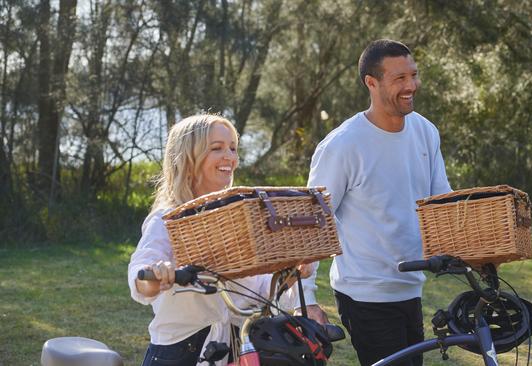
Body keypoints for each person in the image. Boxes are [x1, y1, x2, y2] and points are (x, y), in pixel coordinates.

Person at [302, 39, 452, 366]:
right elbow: (311, 223)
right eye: (399, 78)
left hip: (411, 288)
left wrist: (476, 252)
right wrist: (306, 300)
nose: (411, 85)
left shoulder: (425, 132)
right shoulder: (343, 145)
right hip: (364, 295)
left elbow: (442, 206)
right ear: (372, 83)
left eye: (413, 75)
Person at [127, 114, 307, 366]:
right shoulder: (168, 218)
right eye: (217, 148)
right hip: (181, 350)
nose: (230, 157)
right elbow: (139, 275)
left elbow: (254, 291)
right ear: (189, 157)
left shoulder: (235, 217)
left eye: (233, 148)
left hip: (236, 346)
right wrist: (156, 275)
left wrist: (289, 273)